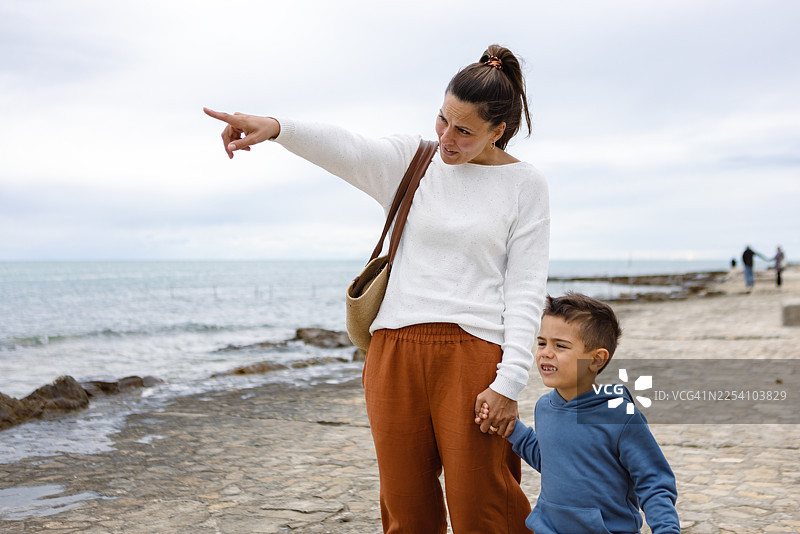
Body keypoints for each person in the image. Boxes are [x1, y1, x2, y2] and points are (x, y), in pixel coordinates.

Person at [205, 45, 549, 534]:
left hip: (474, 358)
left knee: (485, 510)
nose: (447, 138)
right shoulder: (415, 160)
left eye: (464, 131)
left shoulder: (525, 185)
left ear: (499, 130)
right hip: (394, 353)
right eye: (442, 120)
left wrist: (508, 382)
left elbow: (526, 289)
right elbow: (348, 147)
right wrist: (278, 128)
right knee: (406, 512)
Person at [477, 293, 679, 533]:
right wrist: (513, 428)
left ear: (596, 360)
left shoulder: (621, 418)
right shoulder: (544, 407)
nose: (545, 353)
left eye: (560, 346)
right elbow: (550, 460)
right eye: (542, 343)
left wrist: (666, 529)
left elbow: (653, 482)